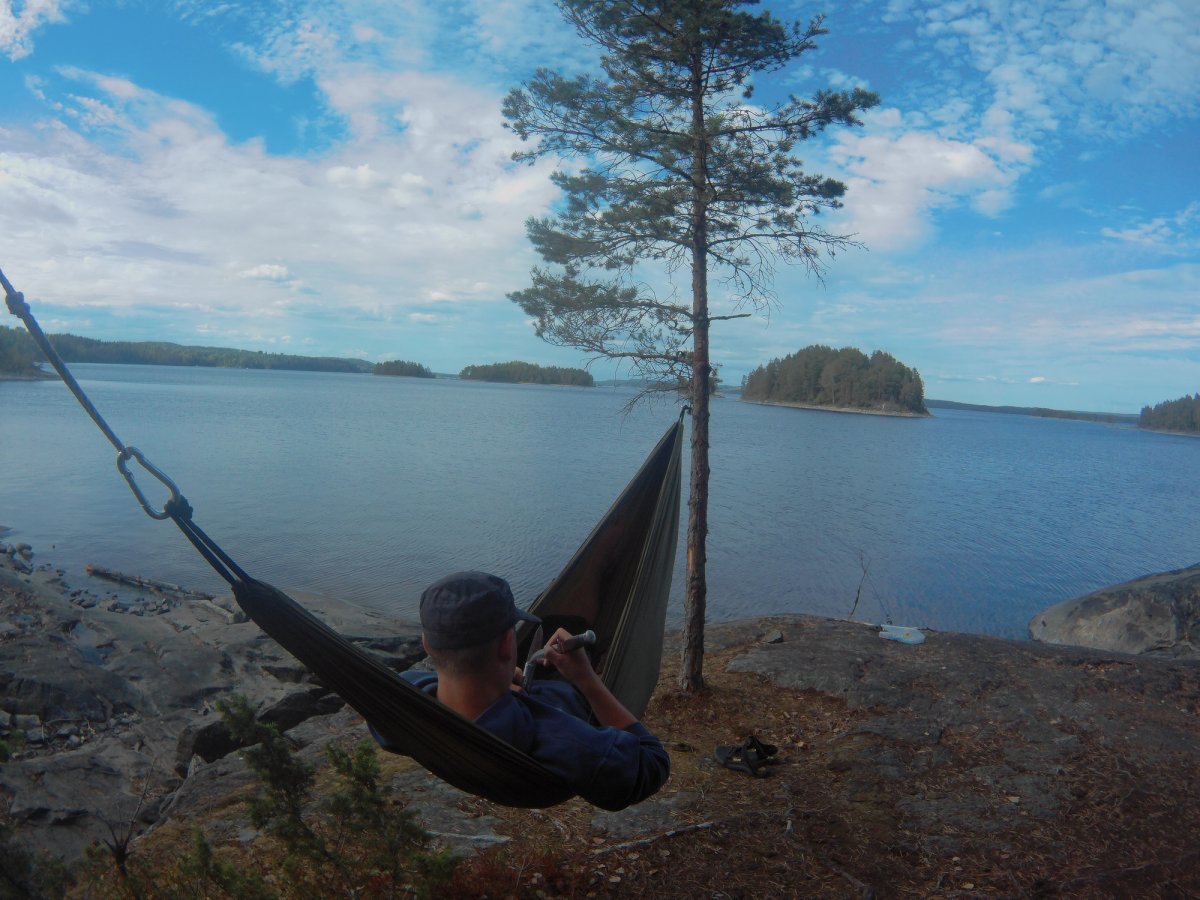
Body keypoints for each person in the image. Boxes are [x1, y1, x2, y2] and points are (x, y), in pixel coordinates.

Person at [389, 570, 669, 810]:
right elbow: (653, 763)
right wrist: (587, 679)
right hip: (577, 708)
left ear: (426, 644)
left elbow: (438, 685)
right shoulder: (570, 742)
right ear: (507, 645)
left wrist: (501, 689)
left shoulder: (399, 702)